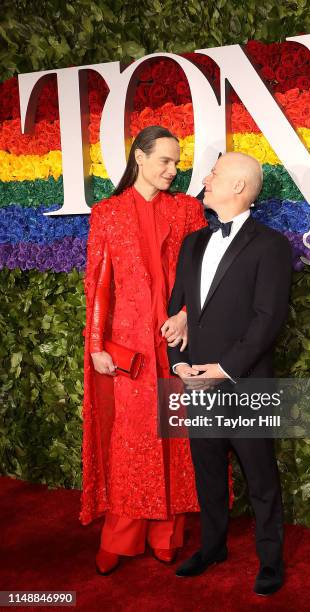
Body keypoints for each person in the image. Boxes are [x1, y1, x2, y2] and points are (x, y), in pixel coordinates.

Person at [81, 125, 206, 575]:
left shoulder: (189, 210)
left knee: (174, 437)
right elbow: (99, 284)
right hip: (129, 347)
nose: (174, 170)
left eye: (177, 162)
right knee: (131, 443)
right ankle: (121, 537)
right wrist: (96, 343)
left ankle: (167, 535)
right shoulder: (108, 213)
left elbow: (203, 273)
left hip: (177, 344)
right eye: (165, 161)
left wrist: (189, 314)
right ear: (140, 157)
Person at [167, 152, 292, 596]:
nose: (205, 178)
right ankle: (213, 547)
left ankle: (271, 561)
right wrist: (178, 364)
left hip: (244, 383)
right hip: (197, 384)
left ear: (238, 187)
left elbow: (267, 319)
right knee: (207, 473)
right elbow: (178, 312)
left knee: (260, 478)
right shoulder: (192, 243)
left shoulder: (271, 245)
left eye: (214, 174)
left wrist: (223, 368)